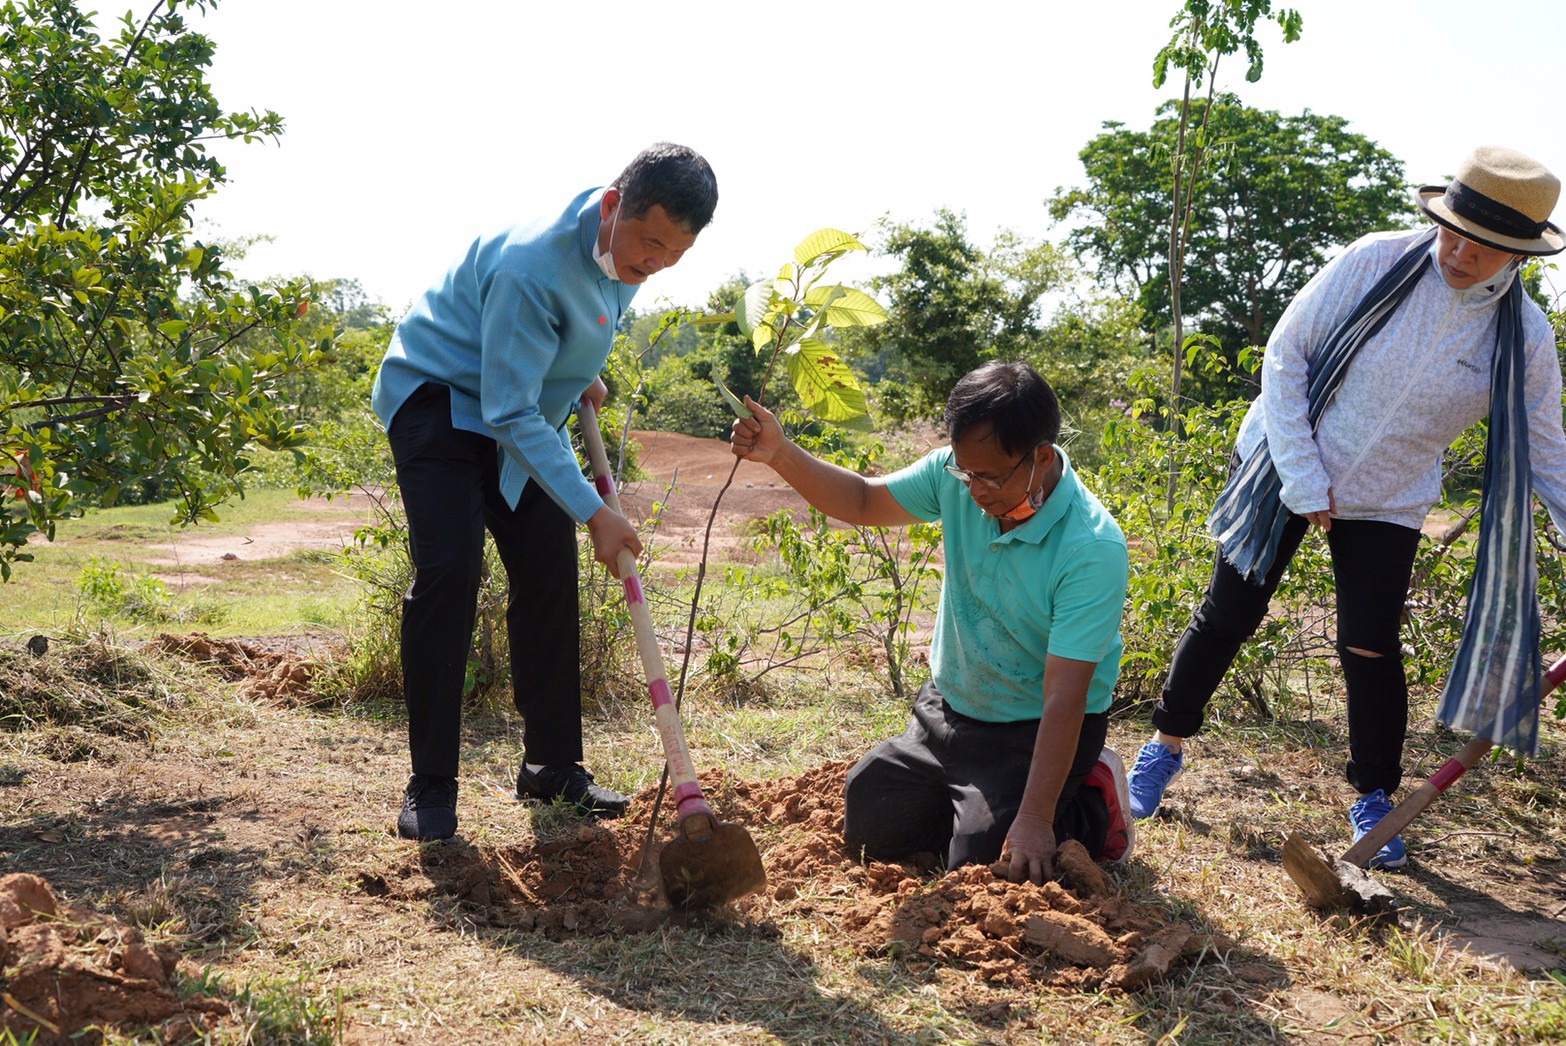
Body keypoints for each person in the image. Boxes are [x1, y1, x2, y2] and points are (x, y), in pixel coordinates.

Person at [1125, 146, 1566, 869]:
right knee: (1231, 612)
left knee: (1370, 645)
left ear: (1519, 254)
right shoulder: (1376, 260)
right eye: (1452, 231)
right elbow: (1286, 356)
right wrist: (1303, 479)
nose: (1456, 252)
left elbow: (1546, 453)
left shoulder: (1525, 338)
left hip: (1388, 496)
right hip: (1283, 455)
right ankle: (1163, 745)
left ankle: (1374, 799)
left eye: (1482, 247)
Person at [371, 143, 719, 842]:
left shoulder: (626, 251)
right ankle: (431, 785)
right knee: (451, 571)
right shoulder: (532, 264)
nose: (655, 262)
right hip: (441, 401)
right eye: (651, 242)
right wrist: (596, 513)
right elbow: (507, 409)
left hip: (517, 408)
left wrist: (574, 370)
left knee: (548, 572)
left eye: (675, 253)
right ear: (613, 205)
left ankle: (552, 767)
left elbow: (572, 332)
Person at [730, 361, 1134, 882]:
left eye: (990, 477)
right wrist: (780, 453)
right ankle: (974, 803)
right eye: (966, 473)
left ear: (1041, 457)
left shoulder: (1091, 547)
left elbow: (1065, 696)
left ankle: (1092, 804)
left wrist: (1034, 818)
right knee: (871, 818)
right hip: (951, 707)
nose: (974, 492)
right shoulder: (954, 475)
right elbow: (861, 499)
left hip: (1034, 728)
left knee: (990, 861)